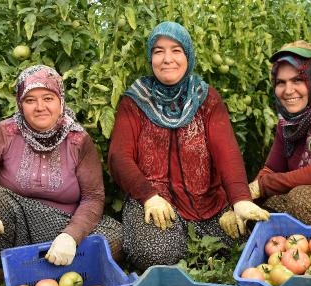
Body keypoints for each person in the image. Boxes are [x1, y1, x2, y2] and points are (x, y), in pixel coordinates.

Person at [108, 21, 269, 272]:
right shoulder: (135, 101)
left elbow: (227, 152)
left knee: (245, 238)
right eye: (158, 51)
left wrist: (239, 200)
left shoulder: (206, 98)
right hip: (156, 202)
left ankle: (190, 246)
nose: (167, 59)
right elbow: (119, 157)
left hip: (208, 202)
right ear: (150, 57)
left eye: (176, 50)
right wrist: (148, 196)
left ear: (188, 55)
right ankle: (182, 248)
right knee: (155, 252)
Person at [0, 65, 123, 286]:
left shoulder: (78, 140)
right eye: (30, 100)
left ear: (60, 100)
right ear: (20, 103)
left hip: (62, 224)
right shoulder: (5, 133)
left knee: (115, 236)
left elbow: (93, 197)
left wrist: (71, 237)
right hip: (16, 224)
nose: (40, 107)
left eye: (48, 98)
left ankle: (37, 272)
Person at [248, 40, 311, 226]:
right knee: (267, 205)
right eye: (281, 82)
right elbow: (271, 168)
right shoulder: (287, 123)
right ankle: (288, 250)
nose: (288, 90)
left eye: (298, 80)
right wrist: (247, 198)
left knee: (301, 198)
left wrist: (263, 186)